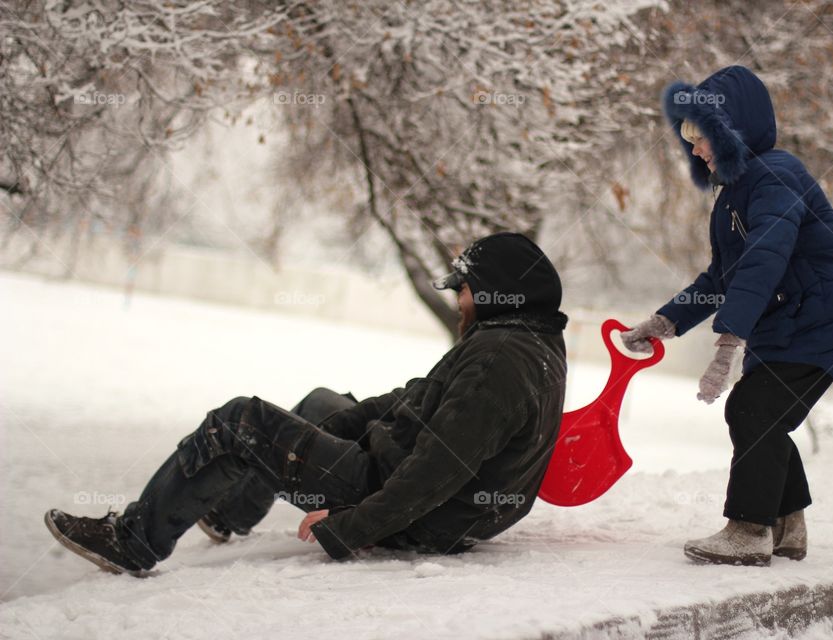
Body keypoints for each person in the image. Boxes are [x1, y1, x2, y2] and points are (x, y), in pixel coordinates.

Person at [45, 232, 568, 575]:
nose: (459, 299)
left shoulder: (499, 358)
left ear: (498, 292)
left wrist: (347, 529)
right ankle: (229, 514)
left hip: (419, 513)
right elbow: (417, 398)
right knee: (321, 405)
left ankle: (133, 541)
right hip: (414, 487)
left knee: (239, 421)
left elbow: (440, 470)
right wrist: (323, 431)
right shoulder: (526, 340)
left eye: (466, 289)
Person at [622, 66, 833, 566]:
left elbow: (765, 257)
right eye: (686, 135)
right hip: (800, 321)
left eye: (699, 134)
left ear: (730, 131)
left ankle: (750, 530)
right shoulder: (738, 190)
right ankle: (786, 527)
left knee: (753, 408)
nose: (693, 146)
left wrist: (728, 344)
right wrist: (665, 322)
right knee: (759, 412)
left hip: (831, 319)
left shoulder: (774, 174)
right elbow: (724, 277)